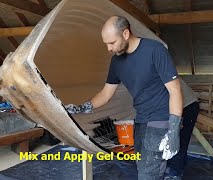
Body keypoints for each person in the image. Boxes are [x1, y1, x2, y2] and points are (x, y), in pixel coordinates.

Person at [66, 15, 183, 180]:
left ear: (126, 34)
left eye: (112, 43)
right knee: (142, 167)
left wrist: (173, 130)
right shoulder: (116, 62)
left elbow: (175, 91)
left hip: (160, 119)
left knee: (148, 175)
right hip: (141, 120)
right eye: (106, 44)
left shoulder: (155, 50)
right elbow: (106, 94)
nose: (108, 48)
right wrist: (80, 108)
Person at [164, 79, 199, 180]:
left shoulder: (162, 76)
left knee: (178, 140)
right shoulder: (159, 73)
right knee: (177, 139)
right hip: (182, 106)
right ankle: (177, 168)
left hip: (188, 107)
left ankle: (174, 173)